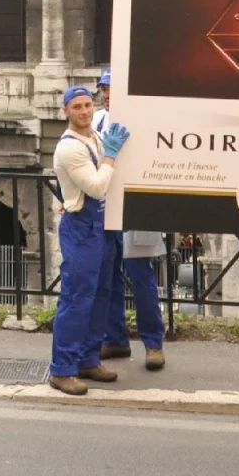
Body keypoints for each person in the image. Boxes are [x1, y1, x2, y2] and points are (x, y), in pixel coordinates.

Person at [49, 83, 128, 395]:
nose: (83, 111)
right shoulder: (69, 147)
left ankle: (88, 360)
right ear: (66, 111)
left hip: (102, 225)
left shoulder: (93, 134)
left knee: (101, 295)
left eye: (87, 105)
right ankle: (62, 369)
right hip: (82, 227)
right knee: (77, 300)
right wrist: (110, 156)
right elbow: (96, 187)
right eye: (77, 107)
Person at [92, 70, 166, 372]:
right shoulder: (97, 120)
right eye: (104, 89)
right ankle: (116, 339)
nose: (107, 94)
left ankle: (153, 343)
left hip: (137, 206)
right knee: (107, 275)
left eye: (112, 88)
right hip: (106, 206)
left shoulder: (145, 118)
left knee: (141, 277)